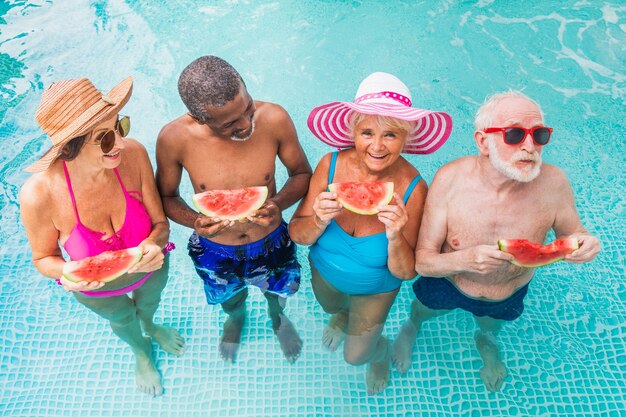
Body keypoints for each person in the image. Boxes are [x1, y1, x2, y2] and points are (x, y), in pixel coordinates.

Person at [392, 91, 600, 392]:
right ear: (482, 141)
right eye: (515, 134)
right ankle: (411, 329)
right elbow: (423, 261)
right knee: (424, 309)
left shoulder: (554, 184)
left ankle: (486, 341)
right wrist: (464, 260)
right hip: (447, 283)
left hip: (509, 292)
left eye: (539, 134)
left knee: (491, 324)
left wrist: (585, 244)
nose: (530, 146)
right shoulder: (450, 180)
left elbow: (573, 235)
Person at [19, 77, 185, 396]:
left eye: (120, 127)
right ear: (70, 147)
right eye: (105, 139)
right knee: (123, 320)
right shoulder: (40, 194)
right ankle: (141, 351)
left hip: (151, 268)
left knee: (149, 304)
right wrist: (66, 271)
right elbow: (43, 258)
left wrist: (153, 244)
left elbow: (159, 224)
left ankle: (150, 326)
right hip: (98, 292)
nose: (120, 143)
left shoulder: (133, 154)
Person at [289, 72, 453, 394]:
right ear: (354, 133)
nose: (377, 146)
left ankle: (380, 351)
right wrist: (319, 220)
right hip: (324, 272)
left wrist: (395, 236)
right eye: (367, 132)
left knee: (355, 356)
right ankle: (340, 317)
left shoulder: (415, 190)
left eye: (390, 135)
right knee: (333, 310)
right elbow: (298, 234)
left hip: (375, 289)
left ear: (405, 139)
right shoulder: (330, 165)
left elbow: (406, 272)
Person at [156, 56, 312, 364]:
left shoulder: (275, 118)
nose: (246, 125)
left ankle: (276, 316)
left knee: (276, 291)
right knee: (230, 299)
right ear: (198, 118)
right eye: (229, 123)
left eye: (248, 108)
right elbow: (166, 196)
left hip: (271, 241)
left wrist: (277, 205)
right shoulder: (174, 139)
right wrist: (195, 222)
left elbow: (302, 174)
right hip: (215, 250)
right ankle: (236, 318)